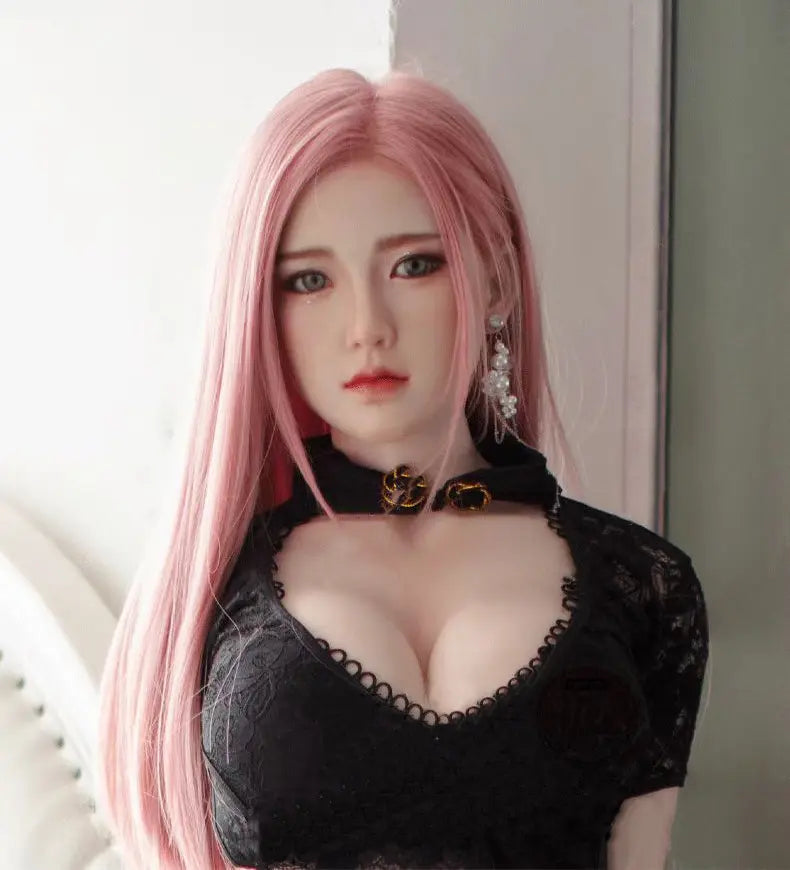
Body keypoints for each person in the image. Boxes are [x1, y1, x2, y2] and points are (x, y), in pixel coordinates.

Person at [96, 68, 709, 870]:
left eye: (414, 265)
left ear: (495, 275)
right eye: (309, 280)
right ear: (260, 311)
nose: (367, 327)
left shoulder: (647, 586)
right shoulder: (204, 592)